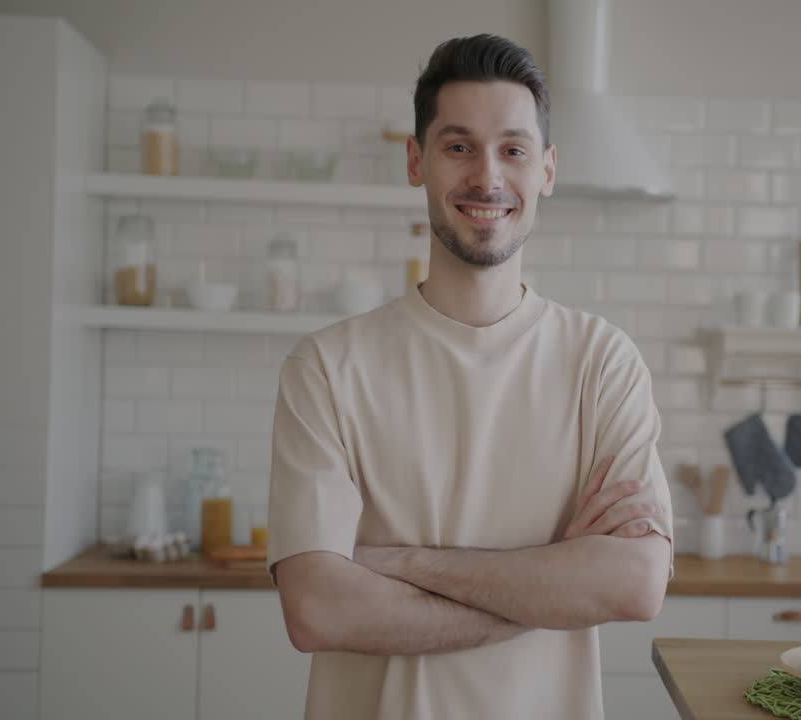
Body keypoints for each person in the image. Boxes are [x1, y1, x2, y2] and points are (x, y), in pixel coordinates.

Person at [267, 33, 674, 720]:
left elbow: (633, 585)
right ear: (415, 161)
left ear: (546, 169)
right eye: (459, 146)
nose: (487, 177)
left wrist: (399, 563)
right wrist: (552, 582)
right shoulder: (328, 367)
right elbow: (317, 610)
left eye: (513, 149)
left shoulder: (602, 362)